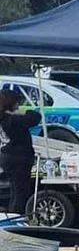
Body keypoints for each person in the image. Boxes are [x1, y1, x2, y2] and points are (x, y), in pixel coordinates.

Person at [0, 89, 40, 217]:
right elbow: (35, 117)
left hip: (8, 156)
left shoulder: (4, 119)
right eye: (17, 103)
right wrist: (25, 111)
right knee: (21, 192)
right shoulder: (13, 121)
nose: (18, 105)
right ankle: (16, 216)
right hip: (18, 158)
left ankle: (12, 214)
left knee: (15, 190)